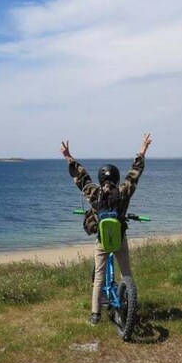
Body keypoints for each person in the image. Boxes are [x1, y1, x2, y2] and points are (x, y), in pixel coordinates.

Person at [60, 133, 153, 325]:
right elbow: (135, 172)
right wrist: (143, 150)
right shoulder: (124, 190)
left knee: (99, 277)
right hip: (119, 239)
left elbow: (81, 177)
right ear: (117, 179)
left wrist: (68, 156)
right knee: (126, 274)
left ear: (101, 179)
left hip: (103, 240)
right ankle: (130, 304)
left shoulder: (94, 193)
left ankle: (95, 315)